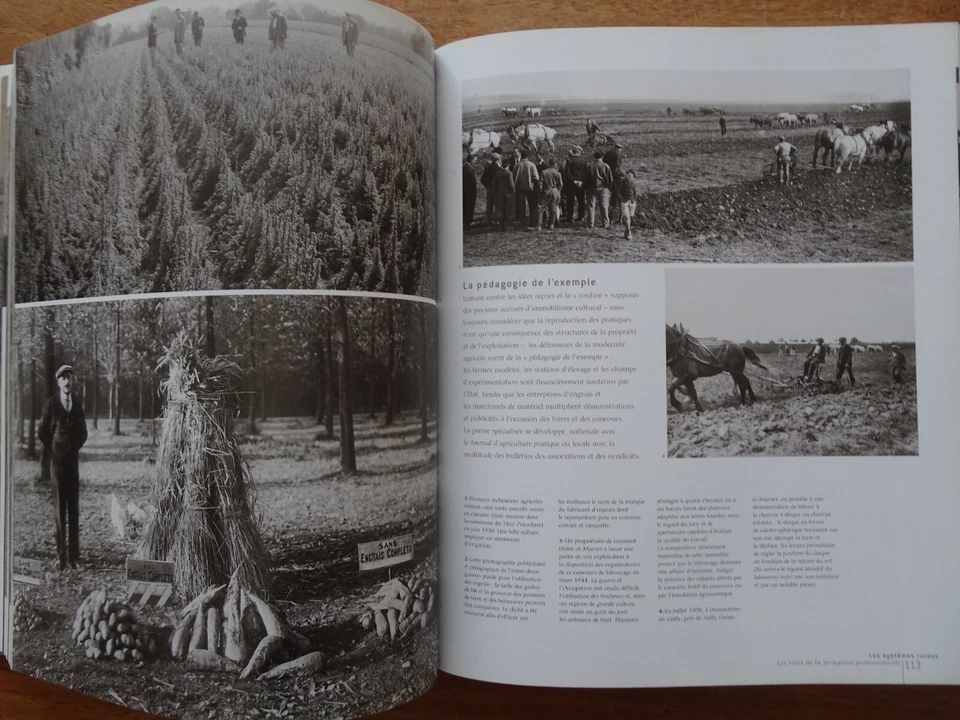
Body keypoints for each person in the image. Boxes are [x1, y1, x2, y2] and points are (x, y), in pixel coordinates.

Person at [39, 366, 88, 572]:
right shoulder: (51, 404)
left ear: (73, 380)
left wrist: (72, 447)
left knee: (73, 509)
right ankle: (61, 557)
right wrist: (56, 448)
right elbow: (42, 432)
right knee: (60, 509)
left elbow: (83, 432)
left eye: (70, 377)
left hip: (72, 465)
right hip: (58, 466)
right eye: (63, 378)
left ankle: (75, 557)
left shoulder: (76, 404)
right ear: (58, 382)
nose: (67, 381)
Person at [586, 151, 613, 229]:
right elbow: (610, 179)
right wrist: (608, 187)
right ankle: (605, 223)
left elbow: (586, 178)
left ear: (594, 157)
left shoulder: (590, 165)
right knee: (604, 206)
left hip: (591, 188)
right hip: (603, 188)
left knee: (591, 206)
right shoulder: (606, 166)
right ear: (602, 156)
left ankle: (590, 224)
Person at [513, 152, 540, 229]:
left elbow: (513, 176)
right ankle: (532, 219)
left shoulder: (517, 165)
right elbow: (536, 177)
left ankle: (522, 220)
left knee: (521, 204)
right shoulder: (532, 165)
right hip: (530, 188)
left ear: (521, 156)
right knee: (532, 204)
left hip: (519, 187)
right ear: (528, 157)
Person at [561, 146, 587, 224]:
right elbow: (586, 173)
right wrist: (581, 181)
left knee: (570, 201)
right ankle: (581, 216)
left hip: (571, 184)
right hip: (580, 184)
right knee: (581, 200)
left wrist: (573, 181)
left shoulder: (569, 160)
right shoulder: (583, 161)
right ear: (579, 153)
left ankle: (570, 217)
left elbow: (567, 172)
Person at [490, 156, 515, 231]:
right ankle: (506, 226)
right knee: (507, 209)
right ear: (508, 165)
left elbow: (493, 184)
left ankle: (500, 225)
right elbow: (511, 185)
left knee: (500, 209)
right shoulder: (509, 173)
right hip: (507, 194)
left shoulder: (497, 173)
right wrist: (513, 191)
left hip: (499, 194)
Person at [538, 158, 563, 230]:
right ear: (555, 165)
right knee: (553, 208)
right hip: (554, 191)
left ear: (549, 164)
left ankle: (539, 225)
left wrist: (540, 191)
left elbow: (540, 183)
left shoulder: (544, 172)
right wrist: (558, 192)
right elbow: (561, 184)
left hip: (546, 190)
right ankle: (551, 224)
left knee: (541, 208)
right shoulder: (558, 173)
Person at [618, 169, 639, 240]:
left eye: (631, 176)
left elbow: (635, 192)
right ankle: (629, 232)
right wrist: (622, 199)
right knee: (626, 217)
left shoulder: (633, 183)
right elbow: (618, 192)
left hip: (632, 202)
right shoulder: (622, 183)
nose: (630, 177)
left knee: (630, 217)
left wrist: (634, 200)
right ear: (626, 176)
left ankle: (626, 232)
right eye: (628, 176)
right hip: (625, 202)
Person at [480, 154, 500, 224]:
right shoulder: (498, 169)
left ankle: (488, 220)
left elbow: (482, 180)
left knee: (489, 205)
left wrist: (487, 186)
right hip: (496, 190)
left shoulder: (487, 168)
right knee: (497, 205)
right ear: (498, 160)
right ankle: (497, 220)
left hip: (489, 189)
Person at [462, 153, 477, 229]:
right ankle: (469, 221)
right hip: (469, 191)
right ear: (471, 160)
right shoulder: (469, 168)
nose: (475, 161)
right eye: (474, 160)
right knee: (469, 206)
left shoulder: (465, 166)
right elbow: (471, 181)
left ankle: (465, 220)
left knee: (465, 205)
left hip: (465, 190)